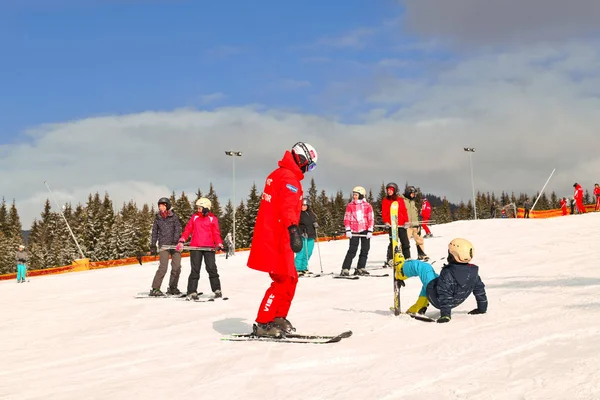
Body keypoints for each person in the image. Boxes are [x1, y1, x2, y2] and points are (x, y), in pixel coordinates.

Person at [247, 142, 318, 337]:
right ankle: (263, 322)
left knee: (291, 277)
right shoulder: (289, 178)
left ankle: (278, 316)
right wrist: (293, 230)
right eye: (310, 165)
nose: (308, 170)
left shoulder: (277, 174)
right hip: (278, 235)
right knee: (282, 278)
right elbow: (287, 207)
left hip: (275, 233)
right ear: (302, 159)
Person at [394, 238, 488, 323]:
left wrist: (445, 315)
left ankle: (400, 270)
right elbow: (480, 291)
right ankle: (419, 306)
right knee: (432, 277)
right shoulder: (473, 273)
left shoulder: (448, 273)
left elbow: (444, 293)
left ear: (453, 256)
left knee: (424, 268)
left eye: (449, 253)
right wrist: (482, 309)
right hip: (453, 302)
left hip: (438, 299)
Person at [178, 197, 224, 300]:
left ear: (206, 208)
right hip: (195, 247)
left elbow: (216, 233)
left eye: (200, 208)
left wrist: (219, 243)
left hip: (209, 247)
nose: (198, 210)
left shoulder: (213, 219)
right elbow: (188, 229)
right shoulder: (194, 217)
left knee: (211, 268)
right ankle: (192, 291)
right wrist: (182, 240)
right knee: (195, 270)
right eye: (197, 208)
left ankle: (217, 289)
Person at [148, 197, 183, 296]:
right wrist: (153, 245)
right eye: (159, 206)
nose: (160, 207)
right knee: (163, 267)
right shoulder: (158, 218)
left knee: (176, 267)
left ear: (167, 206)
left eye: (162, 205)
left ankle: (172, 287)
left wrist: (175, 240)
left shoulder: (174, 217)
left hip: (175, 245)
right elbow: (154, 232)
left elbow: (178, 229)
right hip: (164, 246)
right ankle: (155, 288)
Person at [341, 186, 374, 276]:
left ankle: (361, 267)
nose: (354, 196)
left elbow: (371, 218)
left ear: (361, 195)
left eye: (356, 195)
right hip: (354, 230)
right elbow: (347, 218)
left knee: (365, 249)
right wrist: (348, 229)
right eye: (354, 195)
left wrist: (370, 230)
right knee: (352, 250)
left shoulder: (367, 206)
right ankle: (345, 268)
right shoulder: (350, 206)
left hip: (365, 230)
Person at [381, 182, 410, 265]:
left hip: (401, 224)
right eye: (388, 190)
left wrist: (406, 221)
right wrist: (386, 221)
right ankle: (390, 258)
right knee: (393, 242)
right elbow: (385, 212)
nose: (389, 191)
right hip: (392, 225)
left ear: (395, 190)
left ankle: (407, 257)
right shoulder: (385, 200)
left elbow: (404, 211)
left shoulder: (400, 200)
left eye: (391, 190)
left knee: (405, 242)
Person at [401, 186, 429, 261]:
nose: (414, 195)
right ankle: (401, 256)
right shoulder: (402, 200)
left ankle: (421, 254)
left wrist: (418, 221)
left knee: (419, 240)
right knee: (405, 241)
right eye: (412, 194)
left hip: (415, 224)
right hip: (407, 225)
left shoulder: (412, 202)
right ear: (408, 193)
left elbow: (415, 212)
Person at [295, 197, 318, 276]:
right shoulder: (298, 214)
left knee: (309, 252)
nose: (303, 207)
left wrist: (315, 224)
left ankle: (303, 268)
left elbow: (313, 220)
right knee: (301, 252)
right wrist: (301, 233)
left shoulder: (310, 213)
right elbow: (296, 225)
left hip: (311, 235)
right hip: (302, 235)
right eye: (302, 205)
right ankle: (297, 268)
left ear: (308, 206)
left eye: (305, 205)